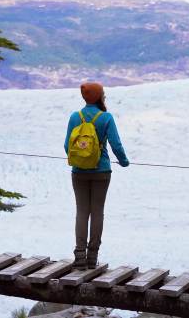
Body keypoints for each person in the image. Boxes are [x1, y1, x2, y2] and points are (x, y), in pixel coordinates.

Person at [64, 82, 130, 270]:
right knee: (97, 212)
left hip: (78, 172)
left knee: (82, 212)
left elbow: (67, 147)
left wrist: (80, 158)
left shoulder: (75, 117)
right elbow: (116, 145)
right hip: (101, 171)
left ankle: (79, 256)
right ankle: (92, 257)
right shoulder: (106, 118)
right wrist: (124, 161)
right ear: (100, 96)